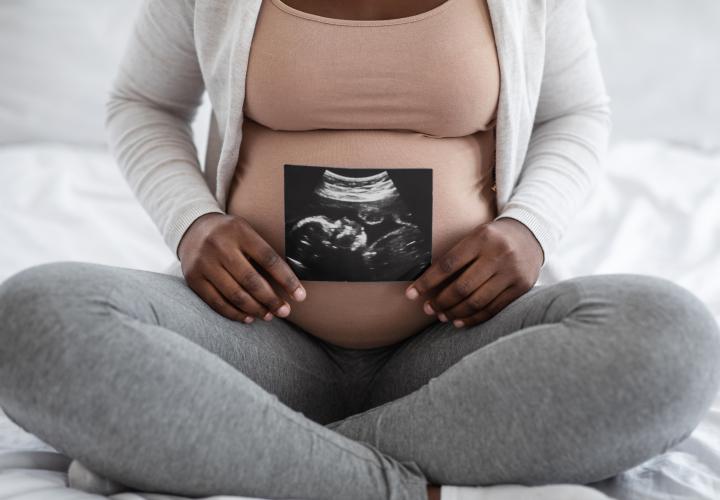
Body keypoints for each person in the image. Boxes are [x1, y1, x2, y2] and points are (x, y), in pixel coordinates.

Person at [1, 0, 719, 499]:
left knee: (672, 337)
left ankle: (231, 449)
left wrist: (530, 227)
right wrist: (193, 225)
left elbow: (576, 112)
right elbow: (143, 104)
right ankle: (397, 485)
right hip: (251, 339)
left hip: (460, 349)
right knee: (34, 317)